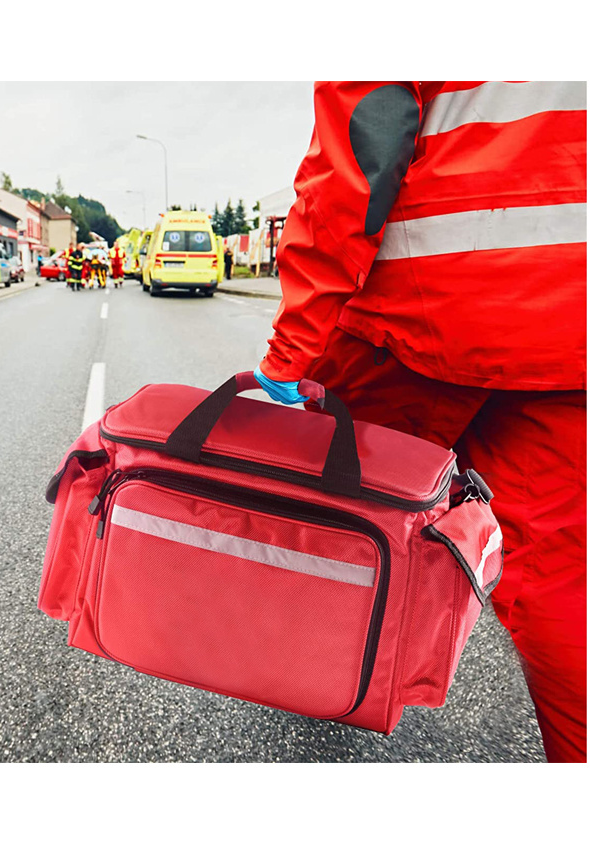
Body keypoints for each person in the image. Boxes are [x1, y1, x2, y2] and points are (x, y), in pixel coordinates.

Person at [254, 81, 586, 763]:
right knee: (564, 582)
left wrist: (293, 351)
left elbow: (358, 155)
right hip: (574, 322)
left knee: (343, 515)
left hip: (416, 315)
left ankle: (321, 669)